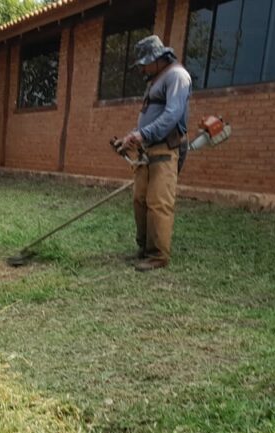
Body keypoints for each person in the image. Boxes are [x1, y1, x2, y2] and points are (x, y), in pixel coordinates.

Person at [114, 35, 192, 272]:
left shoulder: (177, 76)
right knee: (140, 200)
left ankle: (158, 255)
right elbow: (151, 117)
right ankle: (144, 249)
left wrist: (141, 135)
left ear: (158, 58)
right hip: (147, 150)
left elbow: (172, 115)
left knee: (158, 202)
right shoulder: (156, 80)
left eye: (144, 63)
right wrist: (129, 138)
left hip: (165, 150)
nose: (142, 68)